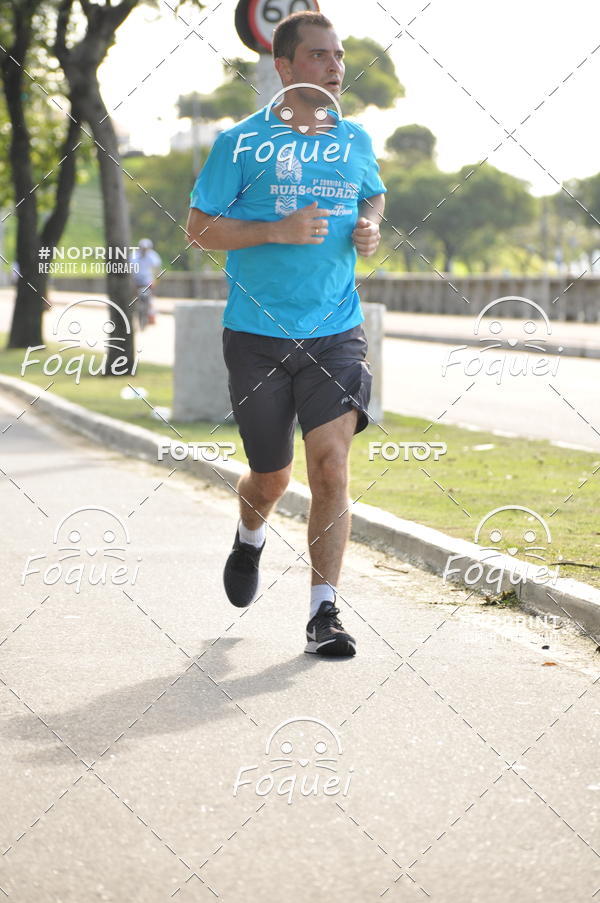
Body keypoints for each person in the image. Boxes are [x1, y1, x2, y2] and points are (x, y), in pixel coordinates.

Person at [186, 10, 386, 658]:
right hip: (256, 334)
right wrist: (275, 229)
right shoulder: (240, 144)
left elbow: (372, 195)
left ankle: (324, 613)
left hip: (335, 329)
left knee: (330, 466)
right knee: (270, 478)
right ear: (284, 66)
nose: (336, 66)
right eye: (320, 55)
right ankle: (250, 533)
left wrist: (369, 224)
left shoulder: (354, 138)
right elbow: (198, 229)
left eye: (339, 55)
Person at [131, 238, 161, 326]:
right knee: (132, 299)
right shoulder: (134, 256)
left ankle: (151, 314)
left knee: (150, 299)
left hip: (148, 281)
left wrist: (155, 280)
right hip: (136, 281)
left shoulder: (153, 256)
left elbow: (157, 269)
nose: (144, 250)